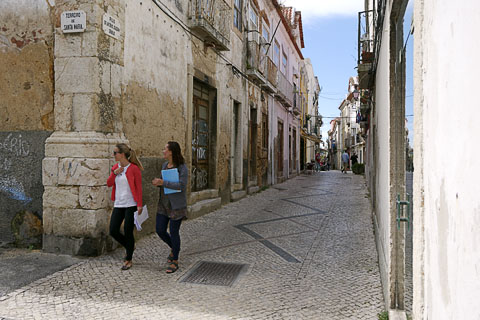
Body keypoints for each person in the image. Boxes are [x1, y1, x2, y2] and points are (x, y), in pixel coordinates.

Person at [152, 141, 188, 274]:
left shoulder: (182, 168)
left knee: (174, 232)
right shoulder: (164, 165)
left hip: (176, 206)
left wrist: (163, 182)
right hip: (163, 204)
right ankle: (174, 248)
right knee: (160, 230)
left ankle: (175, 261)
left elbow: (181, 186)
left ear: (172, 151)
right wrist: (158, 183)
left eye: (165, 149)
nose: (163, 151)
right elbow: (164, 183)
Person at [107, 143, 144, 270]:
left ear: (122, 154)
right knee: (113, 230)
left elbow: (139, 188)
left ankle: (128, 259)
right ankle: (130, 246)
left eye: (115, 152)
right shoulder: (115, 167)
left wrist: (139, 204)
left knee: (128, 231)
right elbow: (109, 183)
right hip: (119, 203)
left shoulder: (133, 168)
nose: (114, 155)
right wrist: (114, 173)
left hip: (131, 204)